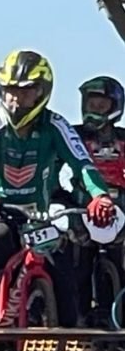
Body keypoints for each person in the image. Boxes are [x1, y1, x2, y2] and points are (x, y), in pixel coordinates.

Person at [0, 50, 114, 328]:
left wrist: (100, 196)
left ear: (42, 92)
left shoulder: (55, 124)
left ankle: (65, 335)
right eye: (9, 90)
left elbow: (82, 162)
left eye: (25, 92)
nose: (15, 99)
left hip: (36, 214)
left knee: (62, 265)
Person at [72, 76, 125, 323]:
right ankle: (78, 318)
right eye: (91, 105)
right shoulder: (74, 135)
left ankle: (117, 317)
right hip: (82, 204)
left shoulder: (123, 137)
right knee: (78, 261)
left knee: (117, 260)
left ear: (115, 107)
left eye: (101, 106)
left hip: (119, 204)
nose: (95, 110)